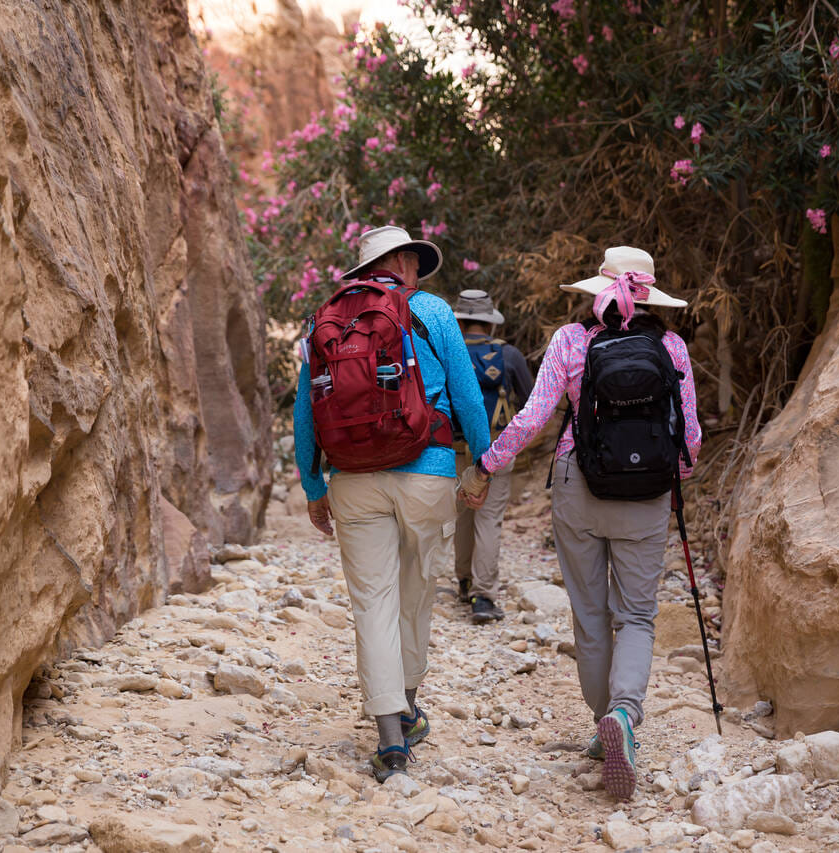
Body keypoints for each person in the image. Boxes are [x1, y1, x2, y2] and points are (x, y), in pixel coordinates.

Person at [460, 246, 700, 800]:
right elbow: (689, 438)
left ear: (599, 290)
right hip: (646, 492)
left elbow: (533, 417)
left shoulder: (572, 340)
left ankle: (603, 724)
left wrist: (486, 466)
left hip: (579, 482)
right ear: (650, 296)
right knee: (637, 615)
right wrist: (669, 476)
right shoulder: (672, 346)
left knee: (590, 616)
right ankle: (624, 714)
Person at [293, 226, 491, 782]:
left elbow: (305, 411)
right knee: (416, 593)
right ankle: (407, 707)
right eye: (414, 260)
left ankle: (389, 742)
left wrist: (313, 488)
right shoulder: (432, 310)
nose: (417, 269)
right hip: (427, 472)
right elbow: (468, 395)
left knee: (372, 604)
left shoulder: (324, 320)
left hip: (352, 478)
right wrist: (482, 465)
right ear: (403, 261)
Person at [450, 289, 534, 624]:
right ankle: (483, 597)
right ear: (491, 323)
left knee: (462, 516)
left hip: (455, 448)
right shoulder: (509, 355)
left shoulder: (448, 351)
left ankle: (463, 582)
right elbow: (531, 403)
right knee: (489, 520)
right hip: (496, 450)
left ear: (460, 321)